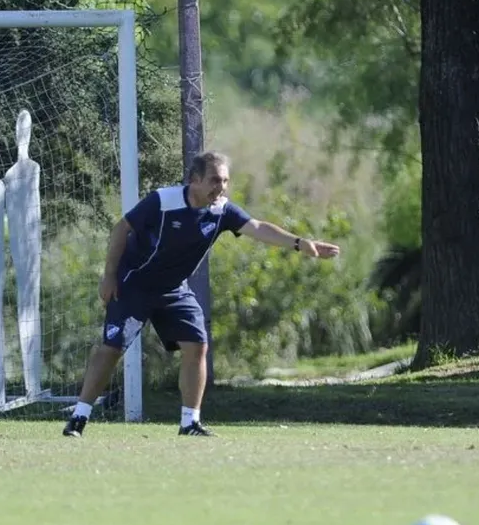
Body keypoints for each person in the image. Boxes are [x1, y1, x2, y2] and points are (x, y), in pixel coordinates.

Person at [63, 151, 341, 438]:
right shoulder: (163, 201)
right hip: (135, 286)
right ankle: (79, 417)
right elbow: (122, 228)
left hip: (174, 290)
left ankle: (190, 423)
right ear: (194, 180)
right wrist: (109, 275)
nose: (220, 187)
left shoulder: (222, 210)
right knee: (112, 349)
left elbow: (256, 227)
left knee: (197, 345)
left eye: (225, 181)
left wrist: (299, 243)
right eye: (214, 180)